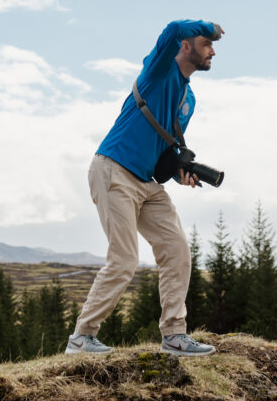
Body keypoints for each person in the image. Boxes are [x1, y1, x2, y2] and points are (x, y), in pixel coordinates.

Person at [66, 19, 223, 358]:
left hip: (145, 182)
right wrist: (206, 25)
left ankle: (174, 336)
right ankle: (82, 338)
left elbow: (161, 152)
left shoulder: (189, 98)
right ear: (187, 46)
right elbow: (171, 29)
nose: (212, 51)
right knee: (124, 259)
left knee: (177, 248)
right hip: (114, 170)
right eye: (207, 43)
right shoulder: (158, 70)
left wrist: (179, 169)